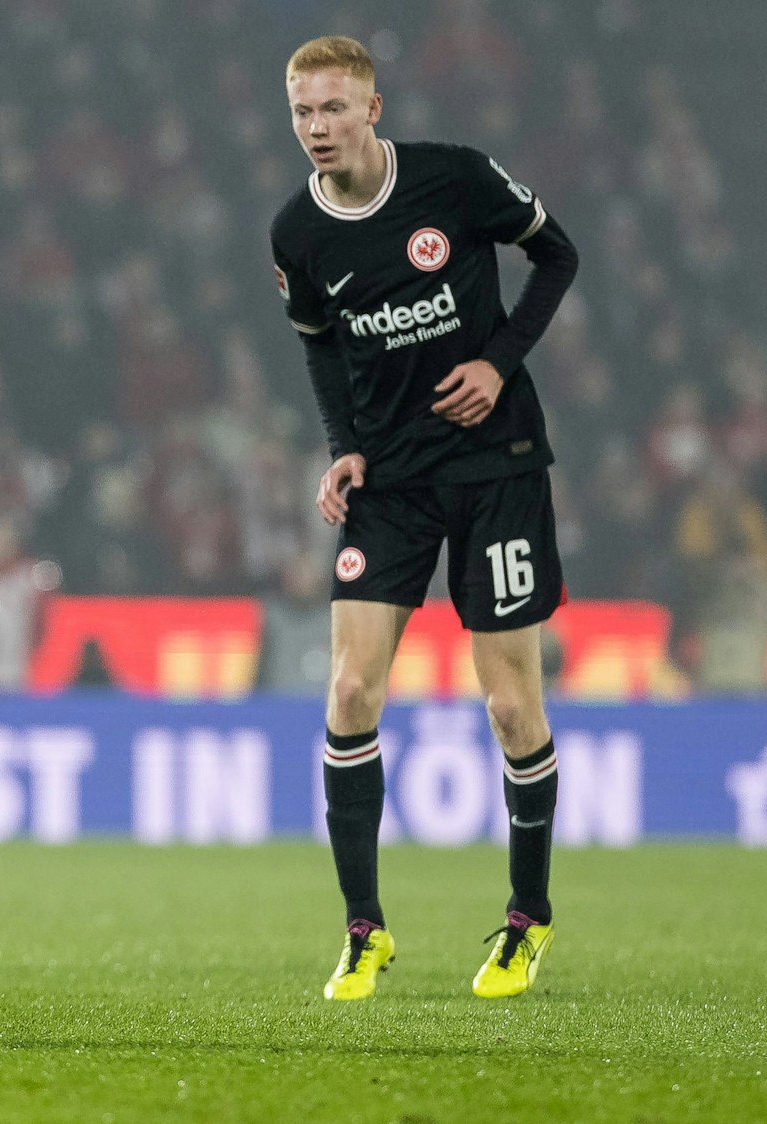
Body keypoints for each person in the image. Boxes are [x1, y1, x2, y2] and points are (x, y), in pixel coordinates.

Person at [268, 37, 579, 1000]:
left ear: (371, 107)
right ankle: (364, 931)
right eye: (300, 113)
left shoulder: (452, 178)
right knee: (351, 693)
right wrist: (342, 444)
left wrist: (497, 362)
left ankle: (527, 918)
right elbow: (320, 347)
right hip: (393, 482)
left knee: (508, 705)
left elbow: (555, 256)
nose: (316, 128)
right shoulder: (297, 234)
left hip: (496, 467)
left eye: (331, 109)